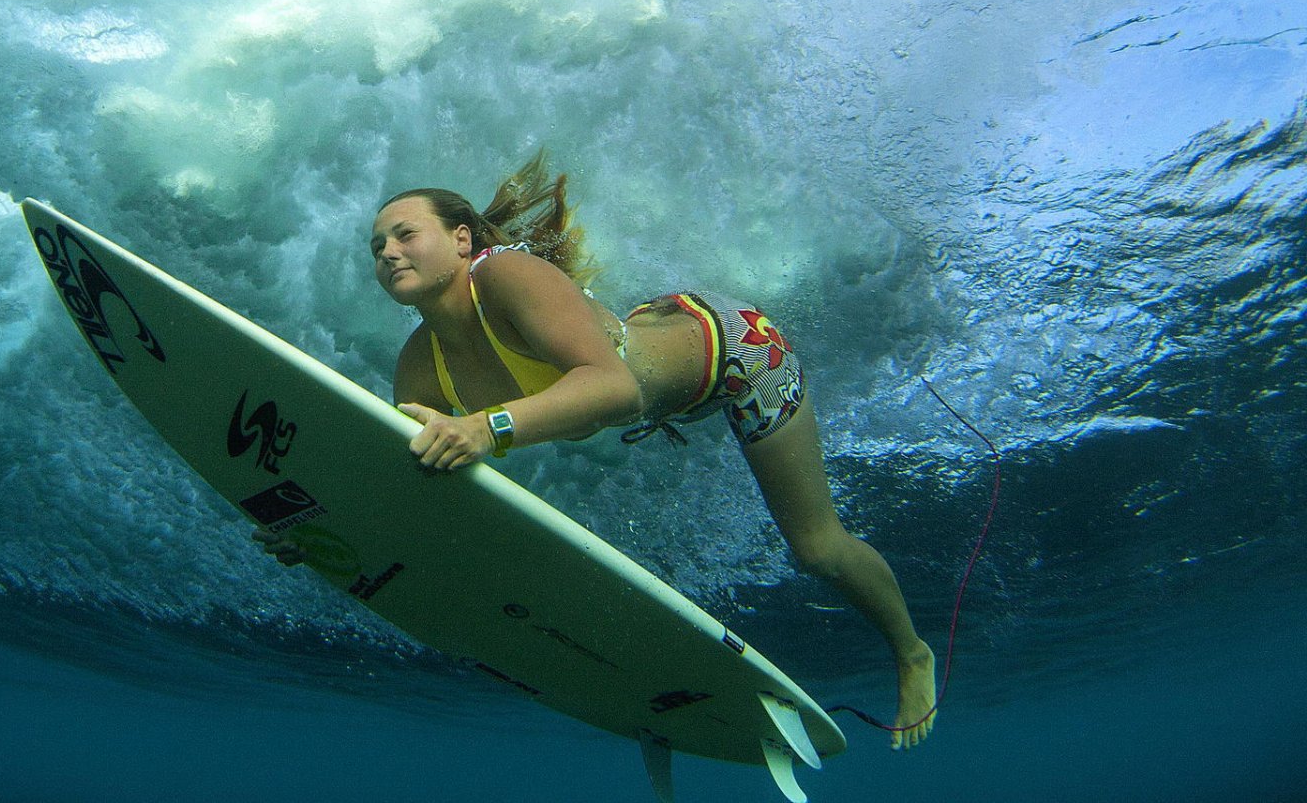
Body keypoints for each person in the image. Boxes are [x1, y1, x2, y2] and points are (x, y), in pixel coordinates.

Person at [255, 152, 938, 750]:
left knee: (816, 549)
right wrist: (327, 530)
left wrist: (484, 429)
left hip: (739, 355)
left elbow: (614, 392)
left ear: (462, 240)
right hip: (652, 339)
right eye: (377, 246)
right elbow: (409, 478)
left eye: (406, 235)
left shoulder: (508, 276)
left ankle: (911, 653)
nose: (388, 252)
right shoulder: (420, 367)